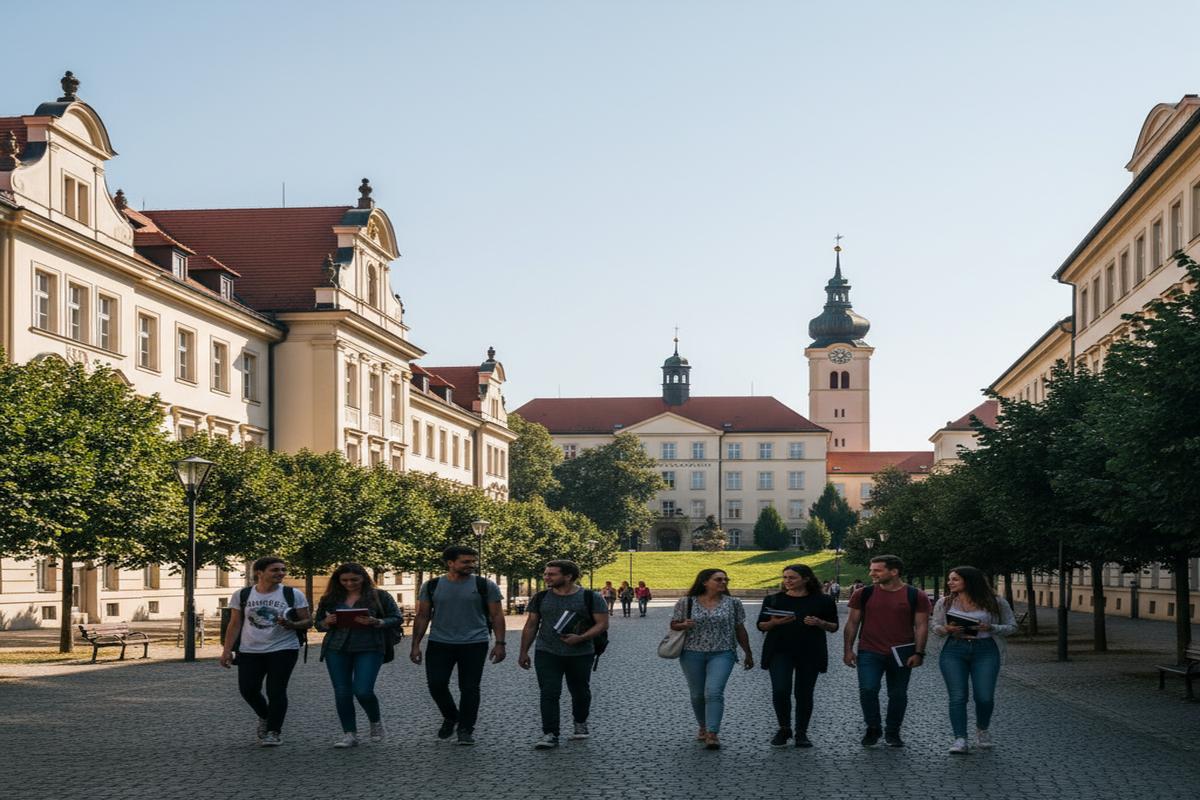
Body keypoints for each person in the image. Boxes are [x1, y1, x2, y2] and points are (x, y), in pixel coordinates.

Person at [409, 546, 506, 746]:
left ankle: (465, 729)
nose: (471, 565)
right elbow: (423, 615)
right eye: (465, 562)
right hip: (439, 642)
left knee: (470, 688)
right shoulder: (431, 586)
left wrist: (500, 643)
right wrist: (415, 645)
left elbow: (497, 615)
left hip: (474, 642)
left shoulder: (485, 585)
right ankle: (451, 716)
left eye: (473, 561)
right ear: (450, 563)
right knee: (436, 685)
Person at [220, 556, 311, 747]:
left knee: (276, 690)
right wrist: (227, 650)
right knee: (248, 689)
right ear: (259, 573)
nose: (281, 573)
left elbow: (308, 621)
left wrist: (292, 624)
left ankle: (273, 731)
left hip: (283, 648)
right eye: (275, 570)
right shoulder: (242, 595)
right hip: (249, 650)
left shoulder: (293, 594)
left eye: (283, 570)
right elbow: (234, 624)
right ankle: (265, 716)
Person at [842, 554, 931, 748]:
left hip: (902, 653)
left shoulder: (915, 595)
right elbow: (852, 623)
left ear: (894, 571)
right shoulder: (863, 594)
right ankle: (873, 728)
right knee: (867, 690)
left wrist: (919, 652)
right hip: (869, 651)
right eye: (871, 569)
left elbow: (922, 625)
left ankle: (893, 732)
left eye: (877, 570)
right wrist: (848, 650)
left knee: (898, 694)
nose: (871, 573)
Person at [519, 560, 609, 749]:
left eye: (551, 574)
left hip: (581, 652)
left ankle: (580, 722)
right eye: (546, 574)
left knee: (580, 691)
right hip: (547, 651)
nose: (546, 577)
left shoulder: (590, 598)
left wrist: (581, 637)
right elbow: (531, 624)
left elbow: (602, 624)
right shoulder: (541, 597)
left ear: (568, 576)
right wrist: (523, 651)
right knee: (549, 692)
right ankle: (550, 733)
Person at [313, 563, 403, 748]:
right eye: (344, 580)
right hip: (337, 647)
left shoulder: (379, 596)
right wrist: (327, 622)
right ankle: (349, 734)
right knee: (342, 692)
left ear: (364, 578)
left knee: (363, 690)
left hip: (369, 646)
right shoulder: (330, 598)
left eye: (354, 580)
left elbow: (396, 617)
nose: (349, 583)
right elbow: (318, 624)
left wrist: (377, 621)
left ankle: (375, 722)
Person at [932, 566, 1018, 754]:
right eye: (950, 579)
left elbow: (1012, 626)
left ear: (969, 581)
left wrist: (991, 627)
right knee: (958, 696)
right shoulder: (945, 603)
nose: (950, 583)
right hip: (954, 650)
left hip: (985, 650)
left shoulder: (996, 602)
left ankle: (982, 728)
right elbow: (935, 626)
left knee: (984, 697)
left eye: (955, 579)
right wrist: (947, 629)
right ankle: (960, 738)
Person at [670, 569, 754, 750]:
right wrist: (683, 624)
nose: (723, 582)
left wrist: (748, 652)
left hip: (723, 652)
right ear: (704, 582)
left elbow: (739, 628)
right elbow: (674, 624)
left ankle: (712, 732)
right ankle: (702, 726)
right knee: (697, 694)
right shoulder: (686, 602)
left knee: (714, 691)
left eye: (726, 579)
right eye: (718, 579)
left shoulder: (733, 603)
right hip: (692, 652)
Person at [757, 564, 839, 747]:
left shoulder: (823, 600)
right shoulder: (773, 600)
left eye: (792, 578)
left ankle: (801, 732)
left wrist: (820, 622)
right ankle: (784, 728)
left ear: (806, 579)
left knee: (804, 693)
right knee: (780, 690)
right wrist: (775, 623)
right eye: (785, 577)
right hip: (779, 650)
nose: (787, 581)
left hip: (810, 651)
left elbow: (834, 627)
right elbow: (761, 625)